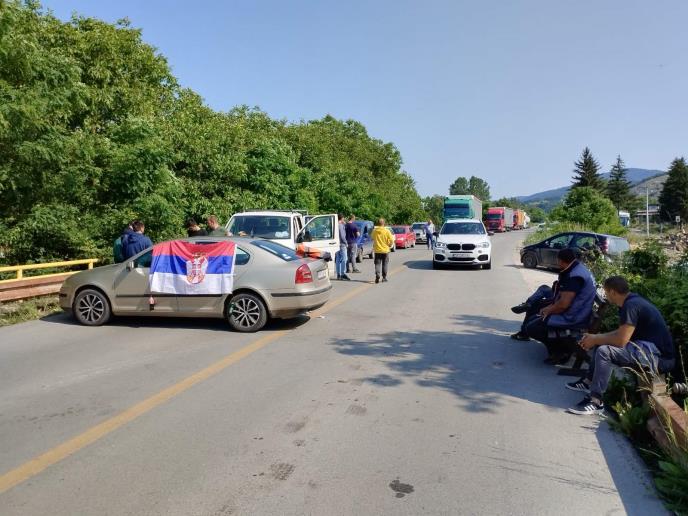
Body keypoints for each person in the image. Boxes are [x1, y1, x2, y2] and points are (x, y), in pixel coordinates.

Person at [566, 276, 676, 415]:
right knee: (602, 342)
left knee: (604, 351)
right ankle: (588, 382)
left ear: (613, 292)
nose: (605, 296)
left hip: (659, 359)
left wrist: (596, 338)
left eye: (606, 292)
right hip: (647, 349)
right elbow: (622, 332)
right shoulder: (631, 301)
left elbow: (621, 340)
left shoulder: (630, 306)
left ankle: (596, 401)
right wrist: (595, 338)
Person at [519, 248, 596, 364]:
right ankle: (559, 349)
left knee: (532, 327)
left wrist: (548, 310)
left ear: (561, 261)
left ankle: (561, 352)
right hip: (580, 311)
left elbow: (564, 304)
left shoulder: (574, 277)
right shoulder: (577, 268)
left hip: (574, 316)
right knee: (535, 314)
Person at [371, 218, 394, 284]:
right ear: (384, 223)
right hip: (385, 250)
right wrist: (389, 245)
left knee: (377, 264)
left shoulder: (374, 231)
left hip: (377, 250)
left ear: (378, 223)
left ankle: (377, 275)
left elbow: (372, 238)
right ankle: (384, 277)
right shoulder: (387, 231)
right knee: (385, 264)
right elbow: (391, 240)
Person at [336, 214, 351, 281]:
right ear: (342, 218)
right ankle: (343, 273)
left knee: (338, 260)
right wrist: (346, 243)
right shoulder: (340, 225)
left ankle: (338, 274)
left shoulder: (335, 225)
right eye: (343, 218)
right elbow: (342, 236)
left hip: (336, 244)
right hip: (342, 244)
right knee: (344, 259)